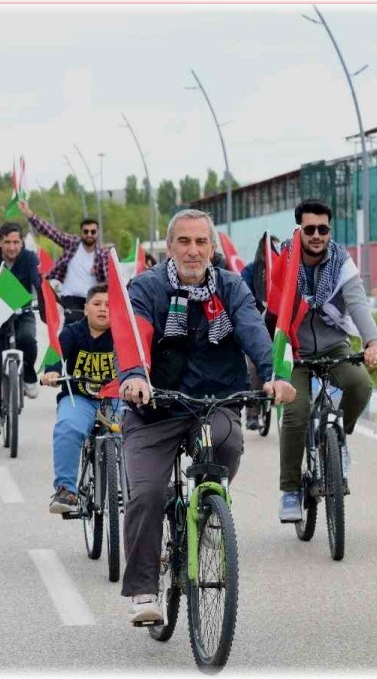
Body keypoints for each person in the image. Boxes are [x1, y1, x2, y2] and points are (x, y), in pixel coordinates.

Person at [117, 209, 296, 624]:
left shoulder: (232, 288)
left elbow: (254, 331)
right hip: (155, 407)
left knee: (228, 444)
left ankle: (207, 510)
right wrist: (132, 377)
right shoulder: (147, 287)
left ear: (212, 248)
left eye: (201, 242)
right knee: (146, 495)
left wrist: (273, 375)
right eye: (184, 241)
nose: (193, 251)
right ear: (170, 247)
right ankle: (144, 591)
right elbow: (135, 337)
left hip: (215, 402)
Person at [277, 199, 377, 522]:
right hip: (294, 351)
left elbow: (357, 303)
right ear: (299, 230)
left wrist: (373, 340)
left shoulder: (341, 262)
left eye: (323, 229)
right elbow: (270, 303)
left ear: (329, 230)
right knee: (295, 414)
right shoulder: (285, 259)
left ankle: (338, 437)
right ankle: (290, 491)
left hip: (333, 345)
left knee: (360, 385)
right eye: (309, 229)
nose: (316, 235)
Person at [40, 284, 119, 513]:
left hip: (115, 398)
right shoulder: (72, 333)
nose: (103, 309)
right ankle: (66, 489)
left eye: (108, 305)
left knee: (133, 432)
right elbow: (55, 354)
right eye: (97, 304)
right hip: (79, 397)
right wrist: (52, 372)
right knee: (67, 427)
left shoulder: (121, 335)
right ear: (85, 309)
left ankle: (136, 487)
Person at [0, 222, 42, 437]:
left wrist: (44, 298)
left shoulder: (30, 258)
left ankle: (29, 375)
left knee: (28, 339)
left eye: (16, 242)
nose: (12, 247)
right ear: (0, 242)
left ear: (22, 242)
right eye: (7, 242)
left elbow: (38, 282)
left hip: (22, 311)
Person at [19, 200, 108, 325]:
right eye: (86, 231)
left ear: (97, 233)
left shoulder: (103, 255)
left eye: (93, 232)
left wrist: (97, 271)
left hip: (92, 300)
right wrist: (29, 214)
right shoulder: (72, 244)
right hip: (69, 299)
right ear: (81, 232)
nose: (89, 234)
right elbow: (52, 233)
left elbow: (109, 281)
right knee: (71, 330)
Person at [239, 235, 281, 430]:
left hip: (278, 326)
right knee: (253, 369)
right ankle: (253, 414)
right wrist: (258, 307)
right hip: (255, 327)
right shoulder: (249, 271)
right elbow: (242, 296)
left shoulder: (283, 269)